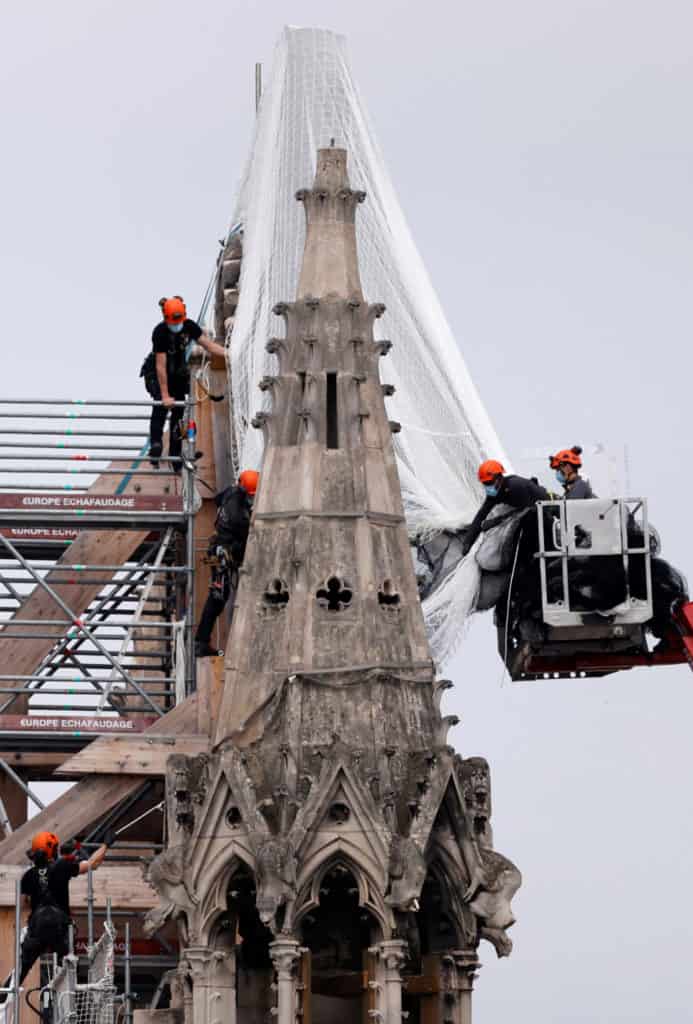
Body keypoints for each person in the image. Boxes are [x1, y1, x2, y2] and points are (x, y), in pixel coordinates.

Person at [142, 296, 227, 470]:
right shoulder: (160, 332)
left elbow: (208, 345)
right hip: (157, 373)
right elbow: (160, 365)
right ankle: (156, 445)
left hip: (177, 373)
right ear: (166, 318)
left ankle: (175, 456)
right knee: (160, 405)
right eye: (174, 322)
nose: (177, 325)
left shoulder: (188, 326)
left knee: (179, 413)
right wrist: (165, 395)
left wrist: (228, 353)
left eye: (179, 321)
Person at [19, 831, 109, 982]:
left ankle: (3, 999)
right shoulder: (63, 866)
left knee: (22, 969)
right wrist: (106, 845)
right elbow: (93, 863)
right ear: (52, 851)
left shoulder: (28, 875)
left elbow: (25, 903)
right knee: (68, 973)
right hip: (60, 930)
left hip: (37, 930)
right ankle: (69, 1001)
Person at [195, 469, 259, 657]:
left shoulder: (230, 492)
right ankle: (201, 642)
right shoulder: (238, 515)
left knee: (218, 597)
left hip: (220, 548)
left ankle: (201, 641)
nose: (251, 499)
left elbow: (217, 500)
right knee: (218, 597)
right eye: (250, 495)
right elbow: (245, 535)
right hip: (223, 552)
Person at [461, 460, 550, 556]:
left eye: (489, 482)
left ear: (499, 478)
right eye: (485, 484)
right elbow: (481, 515)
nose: (487, 486)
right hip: (529, 513)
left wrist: (495, 521)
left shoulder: (515, 486)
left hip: (546, 511)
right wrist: (468, 542)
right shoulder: (494, 493)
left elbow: (525, 512)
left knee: (524, 530)